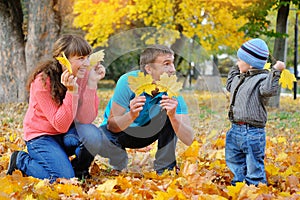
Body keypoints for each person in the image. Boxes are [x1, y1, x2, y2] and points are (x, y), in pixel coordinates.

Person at [76, 44, 194, 174]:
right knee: (104, 137)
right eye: (166, 64)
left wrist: (173, 117)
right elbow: (111, 126)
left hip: (147, 133)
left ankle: (165, 169)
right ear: (149, 68)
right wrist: (131, 114)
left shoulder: (172, 90)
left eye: (172, 63)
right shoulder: (128, 81)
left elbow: (188, 139)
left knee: (171, 116)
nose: (173, 69)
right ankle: (118, 161)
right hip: (117, 134)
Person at [7, 34, 106, 182]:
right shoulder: (42, 81)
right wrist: (72, 92)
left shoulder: (83, 75)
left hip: (67, 135)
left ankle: (79, 170)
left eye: (87, 57)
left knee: (93, 134)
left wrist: (92, 83)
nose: (86, 63)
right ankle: (21, 161)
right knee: (63, 178)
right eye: (80, 58)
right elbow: (60, 124)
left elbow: (86, 119)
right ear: (63, 59)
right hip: (41, 137)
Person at [225, 38, 285, 186]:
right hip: (235, 129)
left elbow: (269, 90)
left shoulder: (262, 79)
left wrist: (276, 71)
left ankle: (255, 186)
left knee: (253, 163)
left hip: (252, 132)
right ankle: (239, 184)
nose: (237, 62)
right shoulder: (239, 78)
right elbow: (229, 85)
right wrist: (237, 66)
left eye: (240, 60)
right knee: (234, 159)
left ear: (250, 63)